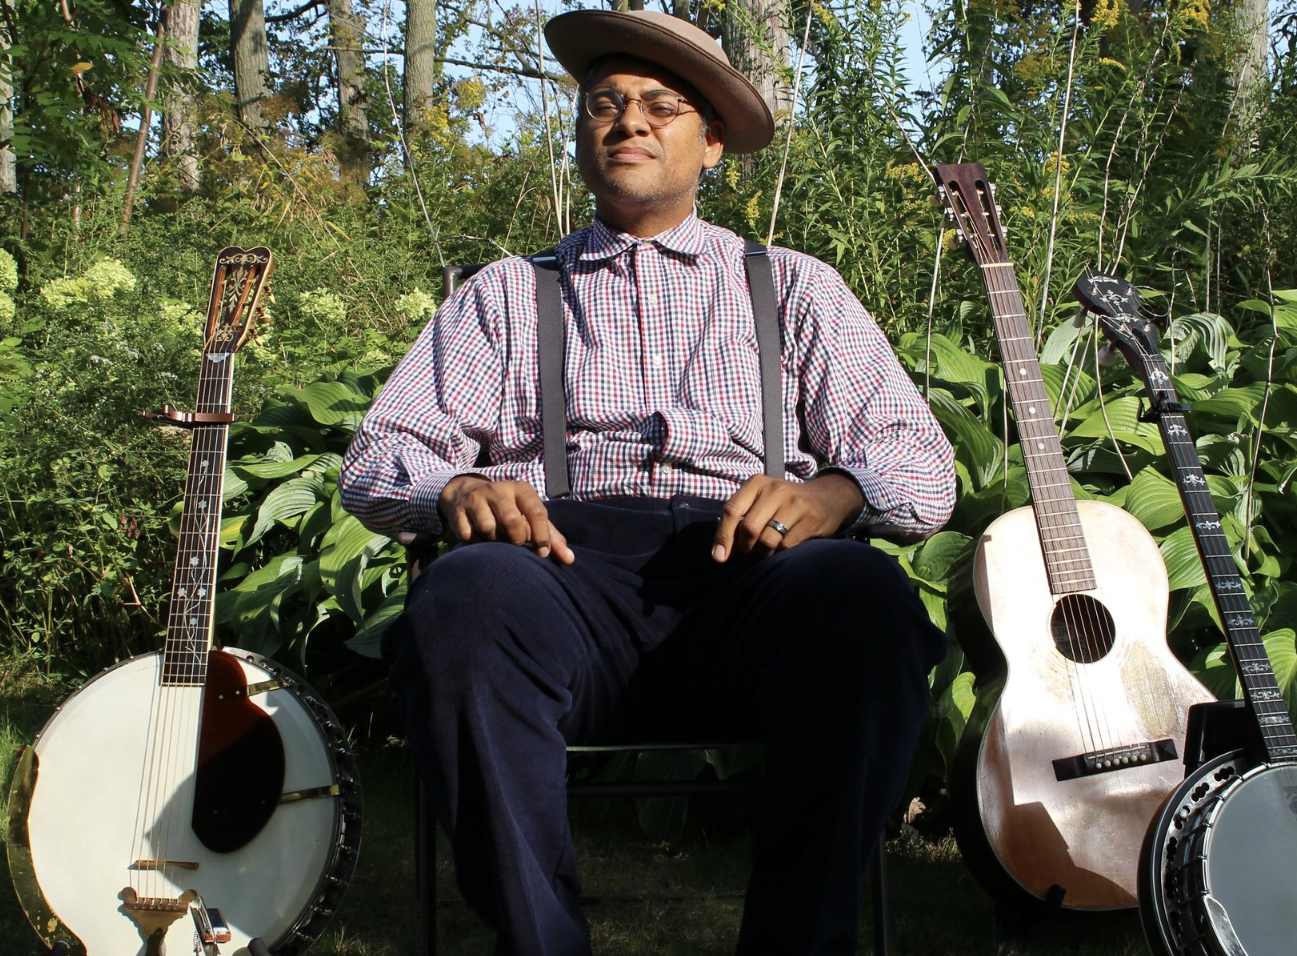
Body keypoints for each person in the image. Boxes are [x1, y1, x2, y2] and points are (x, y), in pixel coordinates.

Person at [339, 9, 955, 954]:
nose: (627, 121)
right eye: (605, 104)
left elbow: (922, 469)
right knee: (461, 601)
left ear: (710, 143)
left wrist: (836, 494)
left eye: (660, 106)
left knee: (866, 599)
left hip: (750, 586)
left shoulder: (794, 288)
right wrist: (454, 491)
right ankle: (544, 944)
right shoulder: (506, 295)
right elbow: (381, 458)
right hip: (558, 580)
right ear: (584, 135)